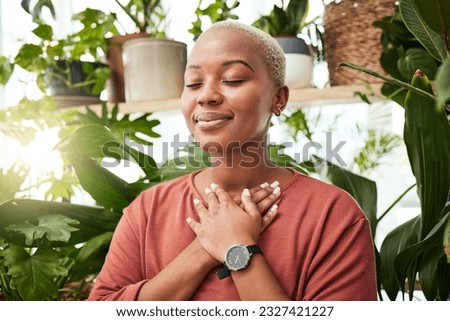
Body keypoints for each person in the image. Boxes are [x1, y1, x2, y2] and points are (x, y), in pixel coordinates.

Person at [88, 21, 377, 301]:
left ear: (278, 98)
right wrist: (202, 249)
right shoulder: (147, 211)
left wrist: (239, 249)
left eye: (233, 79)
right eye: (193, 83)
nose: (206, 96)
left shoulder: (333, 217)